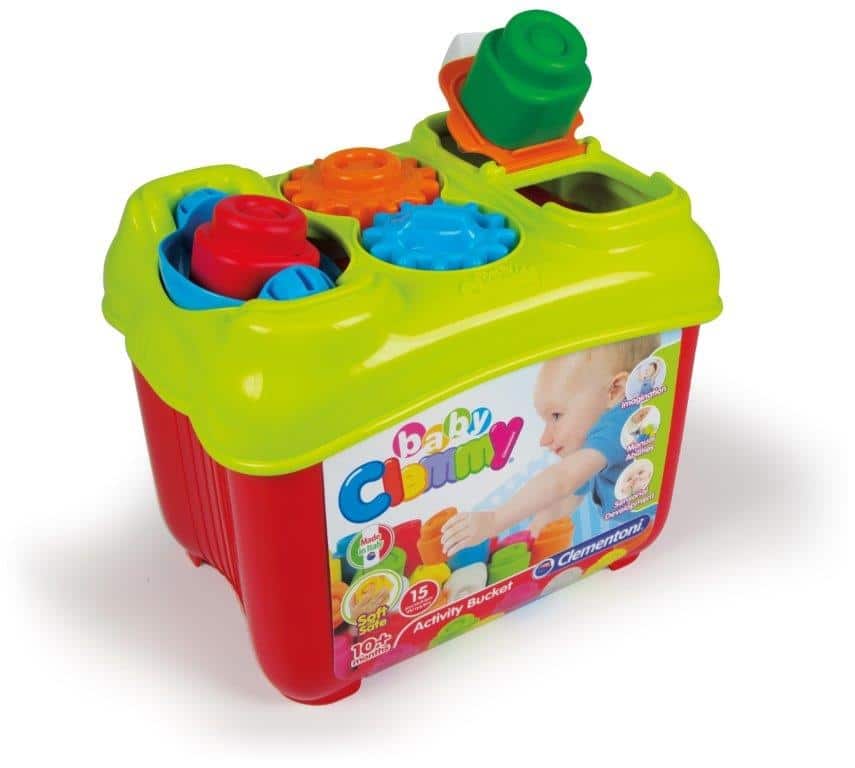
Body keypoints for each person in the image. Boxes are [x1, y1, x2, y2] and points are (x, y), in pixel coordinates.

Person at [441, 335, 660, 557]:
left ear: (614, 391)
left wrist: (494, 520)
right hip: (633, 524)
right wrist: (530, 538)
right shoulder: (595, 442)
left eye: (556, 416)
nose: (544, 439)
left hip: (648, 525)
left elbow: (562, 480)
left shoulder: (623, 424)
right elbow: (565, 498)